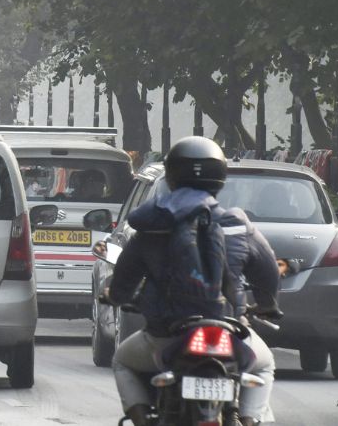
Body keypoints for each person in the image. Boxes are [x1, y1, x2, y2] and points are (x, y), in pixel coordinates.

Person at [105, 137, 280, 426]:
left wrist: (116, 295)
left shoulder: (151, 228)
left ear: (171, 175)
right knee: (264, 366)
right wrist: (267, 305)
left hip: (165, 334)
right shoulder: (237, 225)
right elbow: (268, 273)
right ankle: (248, 419)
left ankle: (143, 419)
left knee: (122, 361)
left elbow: (124, 280)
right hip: (230, 330)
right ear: (220, 177)